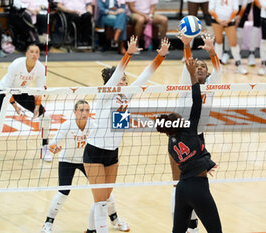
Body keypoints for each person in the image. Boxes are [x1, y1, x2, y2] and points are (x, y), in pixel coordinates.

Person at [83, 36, 170, 233]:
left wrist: (161, 57)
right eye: (121, 78)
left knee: (103, 198)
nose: (123, 81)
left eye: (124, 79)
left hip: (113, 152)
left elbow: (145, 76)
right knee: (100, 203)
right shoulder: (104, 94)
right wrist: (128, 54)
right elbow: (116, 76)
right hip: (95, 151)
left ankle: (90, 230)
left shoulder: (126, 95)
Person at [41, 100, 129, 233]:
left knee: (104, 191)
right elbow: (52, 144)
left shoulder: (93, 124)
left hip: (87, 161)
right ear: (75, 112)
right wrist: (54, 149)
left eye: (87, 110)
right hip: (67, 160)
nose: (84, 113)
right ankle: (48, 223)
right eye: (81, 110)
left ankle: (115, 220)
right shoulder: (67, 125)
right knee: (63, 192)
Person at [156, 57, 222, 233]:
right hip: (197, 188)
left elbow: (196, 154)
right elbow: (197, 102)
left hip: (183, 189)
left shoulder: (172, 144)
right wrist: (206, 161)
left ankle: (192, 226)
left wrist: (206, 161)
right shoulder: (192, 130)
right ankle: (193, 227)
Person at [171, 32, 221, 233]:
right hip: (180, 137)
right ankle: (183, 224)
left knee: (198, 183)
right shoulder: (186, 84)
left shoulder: (211, 86)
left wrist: (212, 51)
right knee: (179, 184)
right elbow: (188, 63)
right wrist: (186, 44)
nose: (199, 68)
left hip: (198, 137)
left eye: (203, 67)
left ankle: (192, 227)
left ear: (207, 73)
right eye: (197, 67)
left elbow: (218, 68)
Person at [0, 44, 52, 164]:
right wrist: (15, 106)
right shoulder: (16, 64)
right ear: (26, 53)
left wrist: (37, 107)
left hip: (21, 92)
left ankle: (45, 147)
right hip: (3, 91)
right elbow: (7, 89)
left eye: (37, 52)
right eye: (32, 52)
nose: (34, 54)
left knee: (46, 117)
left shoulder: (40, 68)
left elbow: (39, 91)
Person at [209, 0, 248, 75]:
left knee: (233, 43)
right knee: (218, 41)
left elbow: (236, 9)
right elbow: (211, 8)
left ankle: (239, 65)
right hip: (216, 20)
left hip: (230, 21)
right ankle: (217, 66)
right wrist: (218, 20)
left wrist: (228, 20)